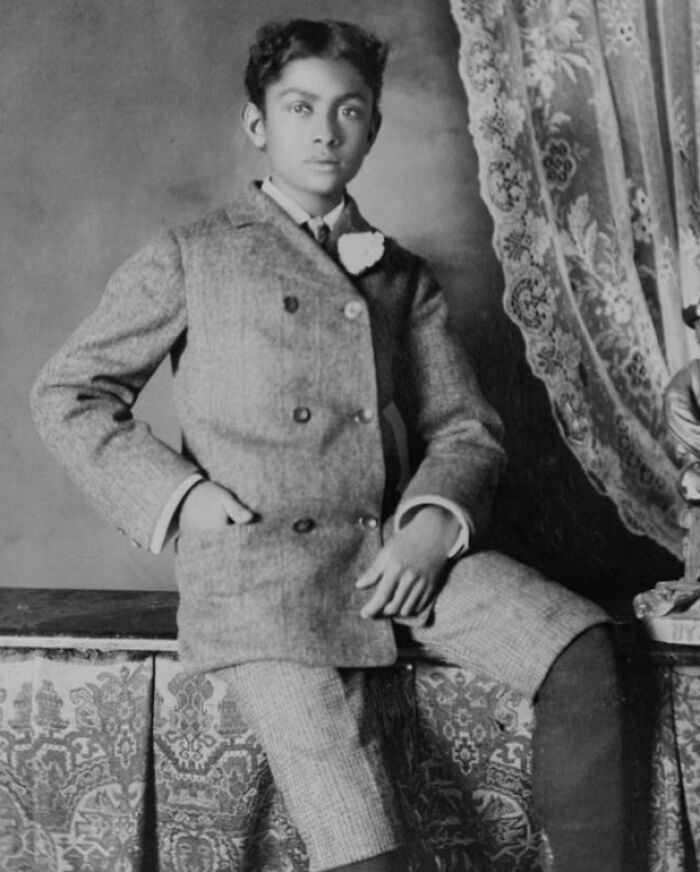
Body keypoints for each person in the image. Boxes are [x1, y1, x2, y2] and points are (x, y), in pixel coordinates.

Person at [31, 18, 624, 872]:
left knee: (580, 644)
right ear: (257, 125)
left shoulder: (399, 272)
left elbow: (464, 428)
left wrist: (430, 524)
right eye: (300, 106)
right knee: (363, 844)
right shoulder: (191, 255)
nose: (324, 129)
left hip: (387, 556)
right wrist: (181, 497)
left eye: (349, 111)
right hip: (260, 586)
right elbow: (68, 392)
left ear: (372, 129)